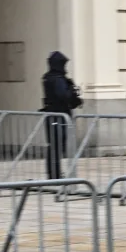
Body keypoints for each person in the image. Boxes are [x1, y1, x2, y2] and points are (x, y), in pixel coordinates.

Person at [41, 50, 81, 179]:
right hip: (58, 114)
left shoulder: (48, 77)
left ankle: (54, 173)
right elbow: (63, 95)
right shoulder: (57, 79)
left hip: (52, 114)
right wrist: (71, 92)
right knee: (57, 145)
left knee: (54, 145)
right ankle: (55, 174)